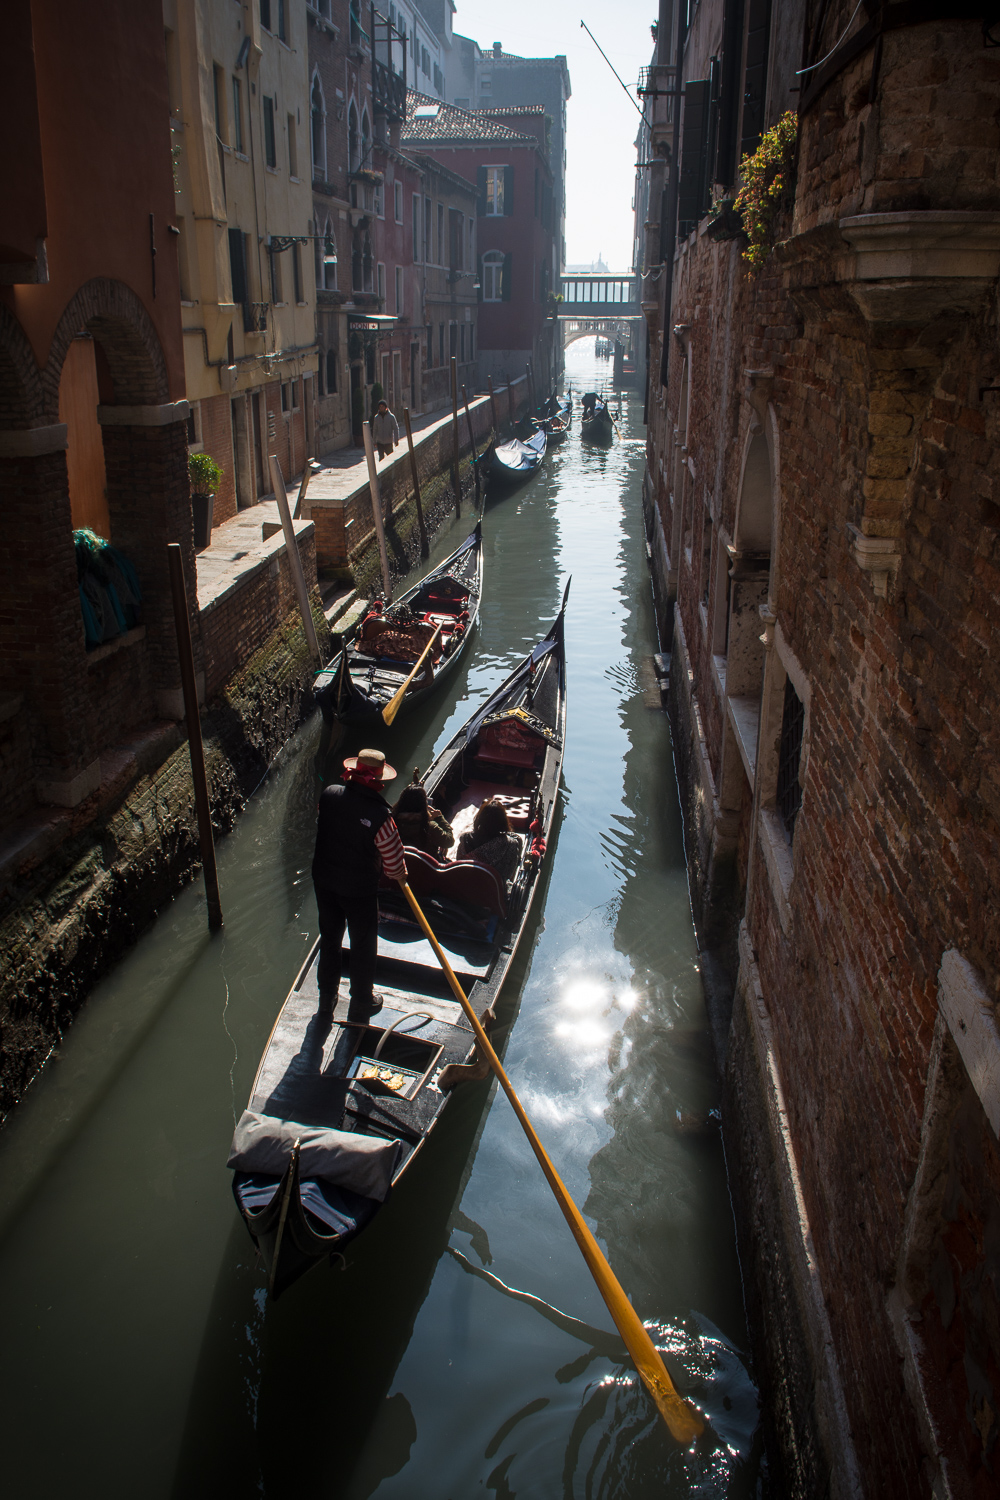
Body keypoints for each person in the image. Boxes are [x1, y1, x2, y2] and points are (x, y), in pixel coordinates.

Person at [311, 747, 406, 1022]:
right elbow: (395, 866)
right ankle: (362, 999)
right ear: (379, 781)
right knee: (363, 944)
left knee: (329, 939)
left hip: (324, 882)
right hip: (358, 890)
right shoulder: (382, 817)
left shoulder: (328, 794)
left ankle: (326, 999)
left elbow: (326, 823)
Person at [456, 798, 522, 886]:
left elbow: (459, 863)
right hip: (492, 893)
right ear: (503, 821)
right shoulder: (511, 845)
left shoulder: (465, 839)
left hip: (463, 887)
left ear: (480, 819)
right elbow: (508, 875)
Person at [392, 782, 453, 859]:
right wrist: (439, 818)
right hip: (428, 866)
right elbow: (449, 841)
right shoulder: (430, 827)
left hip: (404, 863)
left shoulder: (392, 822)